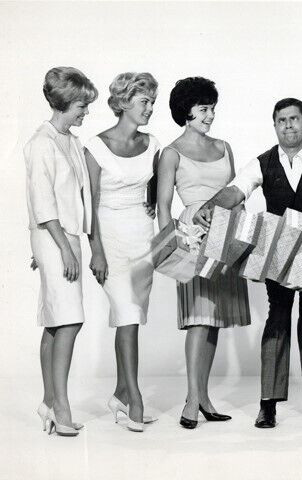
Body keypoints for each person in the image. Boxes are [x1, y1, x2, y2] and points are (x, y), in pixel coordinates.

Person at [194, 98, 302, 428]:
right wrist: (209, 206)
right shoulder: (262, 162)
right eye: (282, 120)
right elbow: (236, 190)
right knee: (278, 319)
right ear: (275, 126)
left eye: (294, 119)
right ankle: (268, 404)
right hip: (276, 254)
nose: (288, 125)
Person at [156, 77, 251, 429]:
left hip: (227, 235)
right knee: (198, 318)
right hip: (192, 238)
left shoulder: (224, 146)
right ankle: (192, 400)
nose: (210, 115)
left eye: (213, 109)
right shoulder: (171, 153)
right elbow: (163, 206)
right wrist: (171, 247)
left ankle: (204, 398)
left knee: (214, 321)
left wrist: (242, 232)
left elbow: (238, 193)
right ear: (186, 110)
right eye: (204, 109)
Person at [85, 72, 160, 432]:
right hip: (110, 239)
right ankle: (136, 400)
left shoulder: (153, 143)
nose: (150, 108)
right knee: (127, 315)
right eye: (144, 101)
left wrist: (152, 208)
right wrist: (96, 251)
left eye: (152, 102)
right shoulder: (95, 147)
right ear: (124, 102)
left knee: (130, 320)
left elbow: (156, 190)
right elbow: (89, 205)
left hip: (142, 240)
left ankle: (120, 395)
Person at [25, 67, 98, 436]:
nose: (86, 111)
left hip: (64, 237)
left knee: (57, 320)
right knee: (69, 319)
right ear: (65, 103)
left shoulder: (70, 141)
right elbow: (42, 202)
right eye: (82, 105)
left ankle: (49, 402)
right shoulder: (41, 143)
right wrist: (61, 250)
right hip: (56, 237)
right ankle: (61, 406)